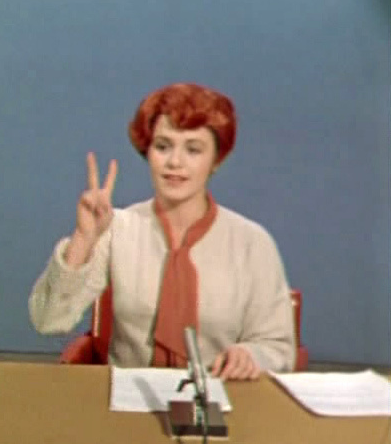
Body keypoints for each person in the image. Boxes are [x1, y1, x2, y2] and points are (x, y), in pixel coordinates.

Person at [28, 82, 295, 380]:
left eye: (193, 149)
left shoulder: (252, 243)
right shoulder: (117, 228)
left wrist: (250, 355)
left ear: (216, 160)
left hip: (221, 396)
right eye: (163, 146)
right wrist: (84, 239)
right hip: (130, 397)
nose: (174, 162)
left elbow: (279, 348)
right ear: (148, 151)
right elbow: (47, 320)